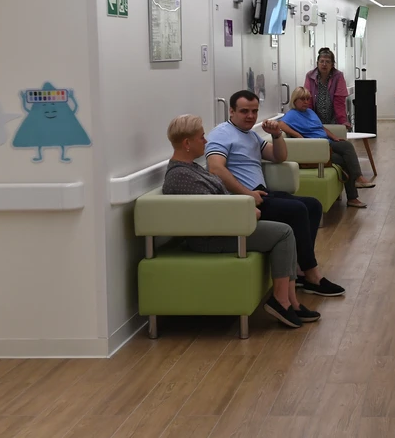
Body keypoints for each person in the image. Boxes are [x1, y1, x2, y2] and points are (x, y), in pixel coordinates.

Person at [161, 114, 319, 329]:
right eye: (201, 137)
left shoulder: (191, 168)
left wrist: (242, 209)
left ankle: (290, 300)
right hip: (211, 237)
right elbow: (208, 213)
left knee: (289, 226)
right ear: (187, 143)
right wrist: (245, 213)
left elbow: (216, 203)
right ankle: (282, 301)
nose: (206, 141)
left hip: (224, 227)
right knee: (283, 233)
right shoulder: (181, 176)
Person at [205, 90, 345, 297]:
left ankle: (300, 269)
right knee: (297, 210)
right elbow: (215, 168)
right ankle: (312, 275)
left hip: (261, 193)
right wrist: (247, 194)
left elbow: (279, 156)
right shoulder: (222, 133)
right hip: (244, 201)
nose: (250, 116)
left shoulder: (250, 134)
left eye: (254, 111)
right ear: (231, 111)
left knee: (313, 205)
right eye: (244, 111)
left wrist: (277, 135)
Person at [278, 87, 375, 209]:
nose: (306, 102)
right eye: (302, 99)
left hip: (327, 142)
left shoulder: (310, 112)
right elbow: (280, 124)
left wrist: (334, 137)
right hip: (318, 149)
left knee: (346, 145)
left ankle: (357, 180)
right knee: (345, 160)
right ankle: (353, 196)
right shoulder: (292, 115)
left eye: (307, 99)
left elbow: (321, 127)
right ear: (294, 100)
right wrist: (298, 135)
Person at [304, 47, 351, 129]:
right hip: (315, 119)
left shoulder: (338, 76)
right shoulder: (310, 76)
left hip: (334, 119)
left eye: (327, 62)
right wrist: (309, 120)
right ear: (317, 63)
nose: (324, 64)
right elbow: (308, 100)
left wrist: (343, 121)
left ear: (332, 64)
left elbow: (339, 102)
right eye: (321, 61)